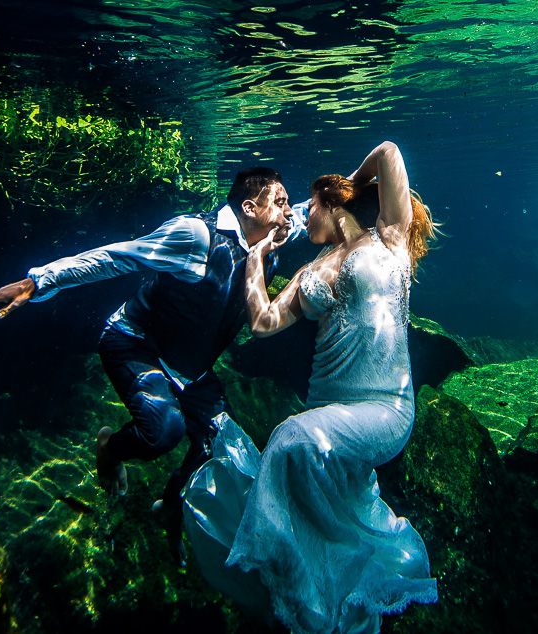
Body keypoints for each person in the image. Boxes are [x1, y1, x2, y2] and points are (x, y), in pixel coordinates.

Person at [0, 168, 306, 565]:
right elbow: (118, 256)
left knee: (222, 446)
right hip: (134, 343)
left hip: (191, 370)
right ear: (249, 208)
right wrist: (39, 282)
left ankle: (169, 505)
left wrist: (362, 186)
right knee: (164, 430)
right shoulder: (197, 237)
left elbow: (315, 209)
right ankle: (109, 449)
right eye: (281, 202)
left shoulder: (273, 234)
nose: (289, 213)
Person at [183, 142, 440, 633]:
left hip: (384, 409)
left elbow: (387, 152)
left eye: (310, 205)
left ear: (332, 203)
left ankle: (292, 588)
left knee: (289, 438)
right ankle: (322, 604)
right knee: (338, 514)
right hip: (329, 409)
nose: (301, 216)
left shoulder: (389, 235)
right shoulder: (307, 272)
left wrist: (343, 181)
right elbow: (261, 322)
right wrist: (256, 257)